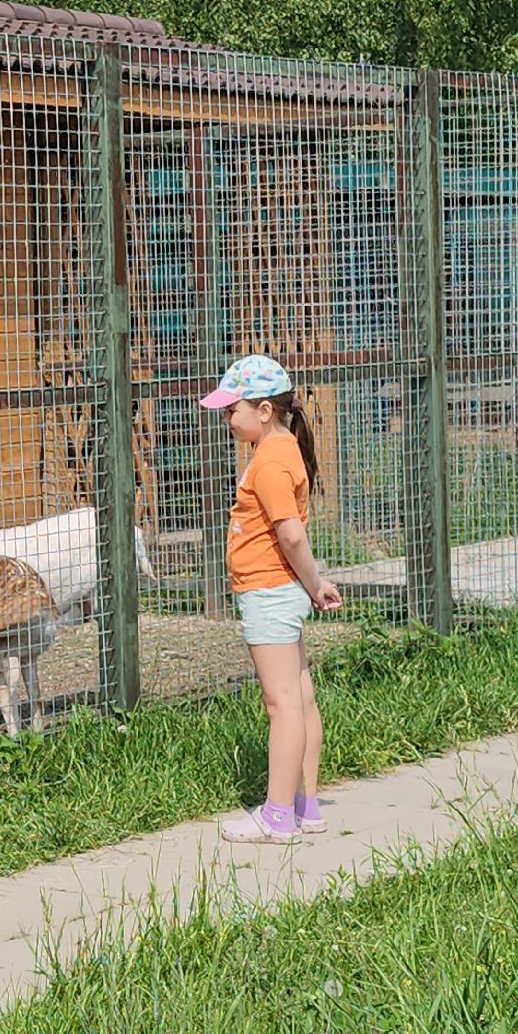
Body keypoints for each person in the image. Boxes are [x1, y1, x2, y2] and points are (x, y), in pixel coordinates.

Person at [199, 354, 342, 845]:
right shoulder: (280, 451)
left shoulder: (271, 461)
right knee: (300, 698)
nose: (226, 419)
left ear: (263, 411)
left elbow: (291, 535)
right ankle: (306, 805)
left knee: (280, 704)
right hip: (281, 592)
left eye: (231, 410)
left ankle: (277, 814)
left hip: (268, 592)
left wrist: (314, 581)